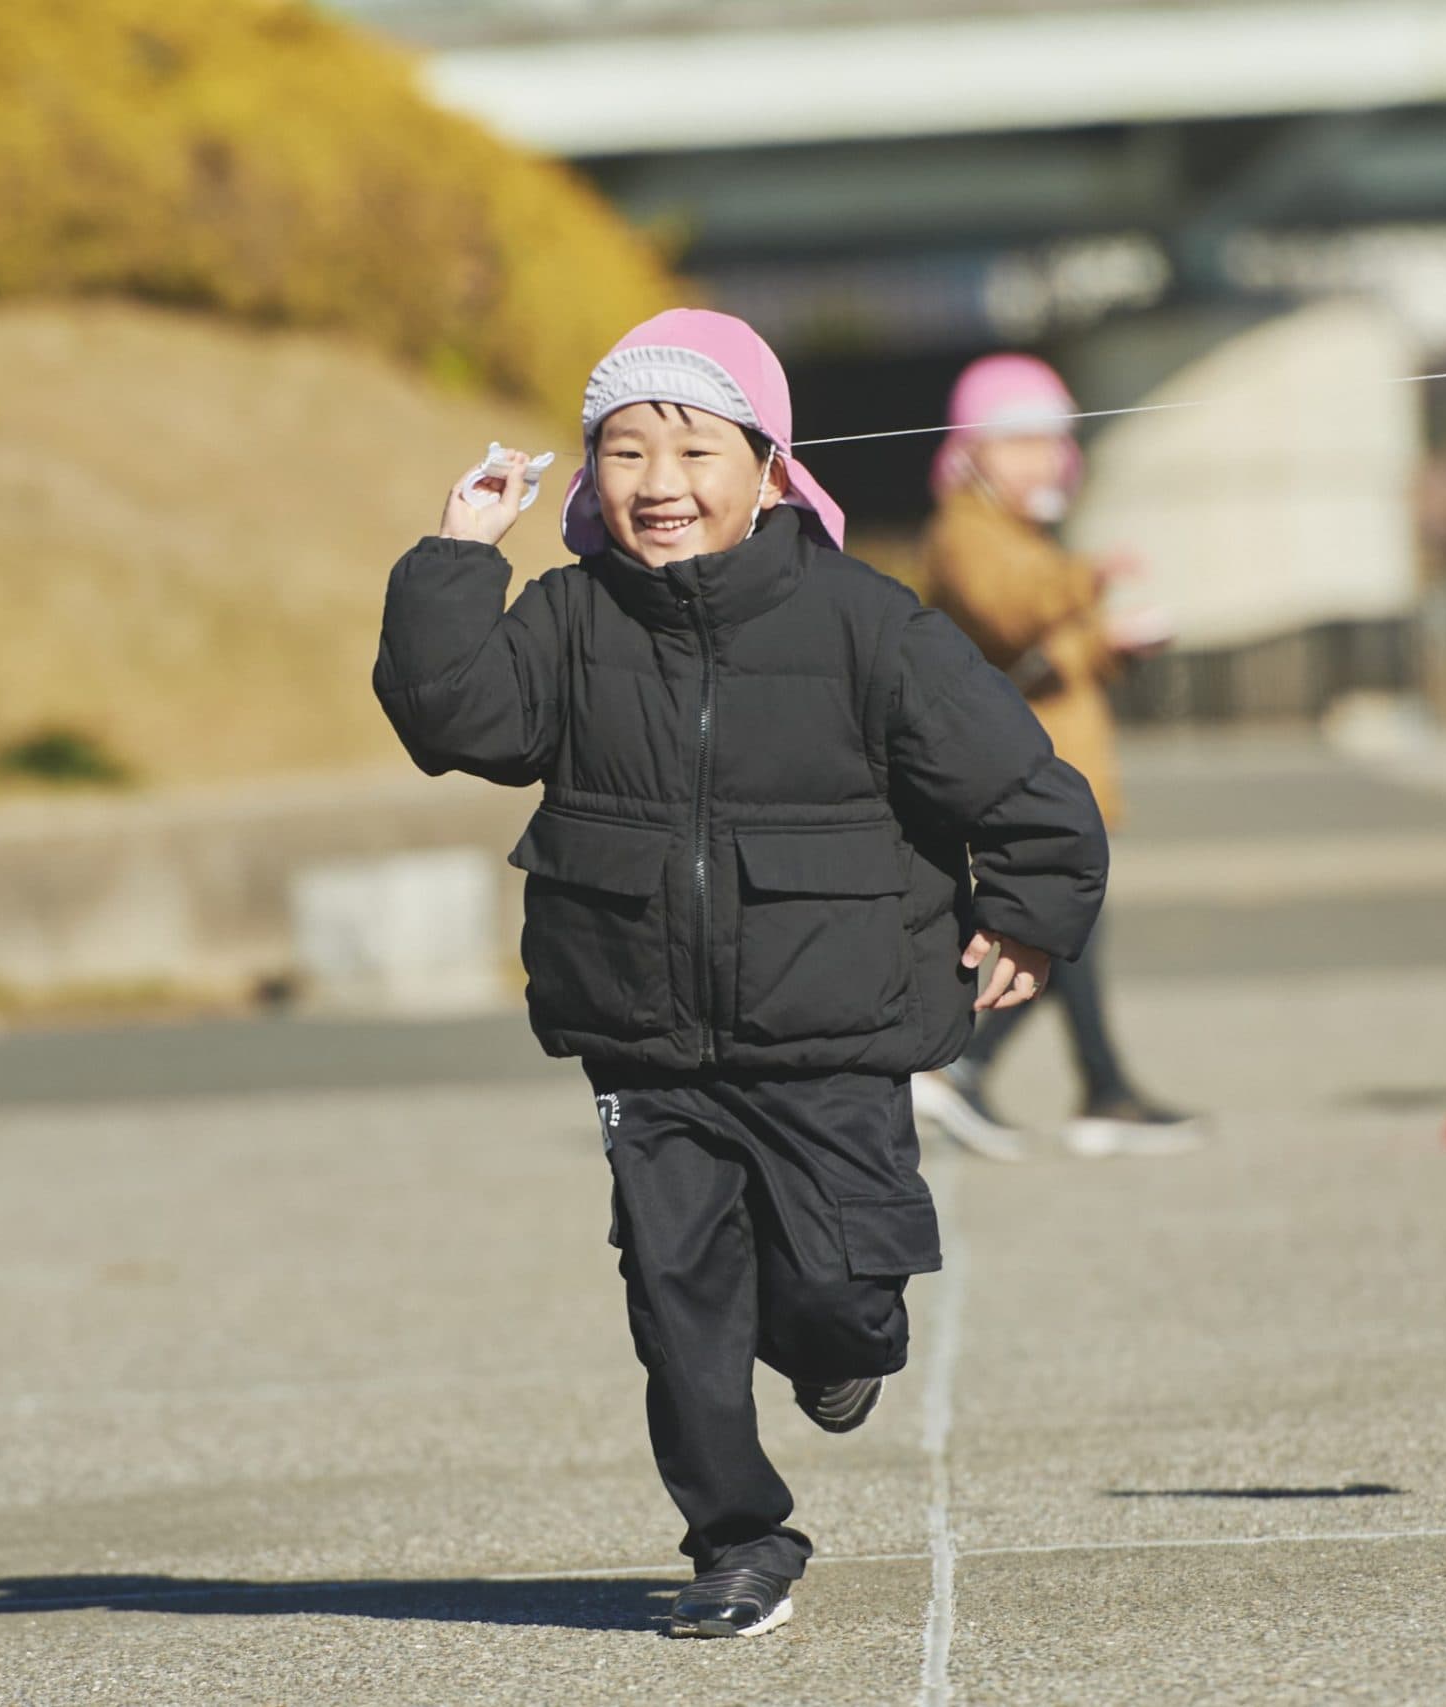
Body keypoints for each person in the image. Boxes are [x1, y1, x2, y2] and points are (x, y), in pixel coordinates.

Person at [373, 310, 1107, 1639]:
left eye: (693, 446)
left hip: (837, 1023)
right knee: (679, 1301)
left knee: (839, 1299)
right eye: (626, 451)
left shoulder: (866, 624)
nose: (660, 482)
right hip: (643, 1040)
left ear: (771, 466)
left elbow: (1021, 782)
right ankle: (735, 1538)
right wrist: (453, 555)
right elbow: (452, 721)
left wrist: (1033, 914)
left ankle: (839, 1348)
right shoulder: (569, 620)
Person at [909, 353, 1199, 1161]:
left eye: (1049, 441)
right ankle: (976, 1067)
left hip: (1056, 775)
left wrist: (1111, 646)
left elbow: (1046, 657)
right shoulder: (967, 533)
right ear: (971, 450)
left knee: (1066, 941)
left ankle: (1086, 1085)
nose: (1040, 458)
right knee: (1058, 937)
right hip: (1015, 782)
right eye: (1018, 441)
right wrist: (1088, 579)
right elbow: (1009, 615)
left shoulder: (1023, 536)